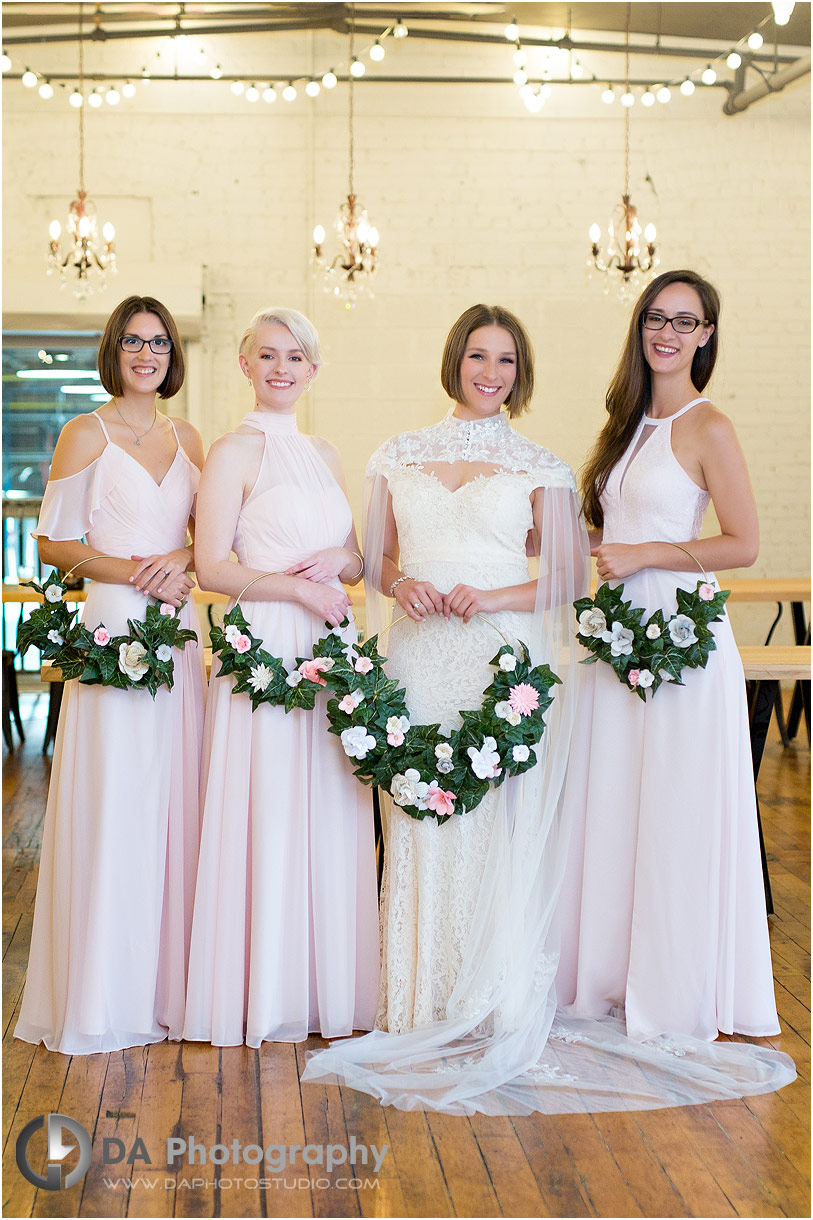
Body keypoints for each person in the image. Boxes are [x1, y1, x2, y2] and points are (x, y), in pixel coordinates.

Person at [301, 301, 794, 1116]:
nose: (490, 372)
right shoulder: (397, 454)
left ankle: (496, 990)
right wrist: (402, 583)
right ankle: (415, 994)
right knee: (420, 820)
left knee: (503, 817)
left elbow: (566, 575)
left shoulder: (544, 465)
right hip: (420, 651)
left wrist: (490, 594)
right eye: (478, 357)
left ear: (520, 374)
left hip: (499, 652)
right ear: (454, 360)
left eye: (505, 361)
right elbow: (376, 561)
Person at [557, 269, 782, 1044]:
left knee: (676, 799)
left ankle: (676, 983)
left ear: (706, 336)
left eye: (684, 323)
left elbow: (743, 543)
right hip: (615, 633)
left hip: (680, 634)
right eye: (656, 317)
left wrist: (648, 550)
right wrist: (586, 544)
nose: (667, 333)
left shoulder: (707, 424)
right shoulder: (625, 422)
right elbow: (614, 525)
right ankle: (613, 975)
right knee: (614, 796)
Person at [181, 307, 378, 1047]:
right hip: (267, 638)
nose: (281, 369)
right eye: (268, 356)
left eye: (295, 358)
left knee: (328, 798)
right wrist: (297, 589)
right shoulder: (232, 452)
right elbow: (211, 567)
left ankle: (327, 990)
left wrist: (339, 565)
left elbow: (355, 557)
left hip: (329, 641)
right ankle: (262, 992)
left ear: (314, 370)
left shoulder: (325, 454)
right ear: (244, 364)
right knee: (266, 803)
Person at [15, 295, 206, 1054]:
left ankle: (170, 989)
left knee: (174, 795)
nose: (146, 353)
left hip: (179, 628)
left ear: (171, 354)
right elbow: (55, 542)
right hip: (115, 625)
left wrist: (181, 562)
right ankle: (103, 992)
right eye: (132, 340)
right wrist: (139, 573)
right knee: (115, 794)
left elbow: (207, 537)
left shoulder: (190, 437)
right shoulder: (81, 432)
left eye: (157, 341)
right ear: (113, 351)